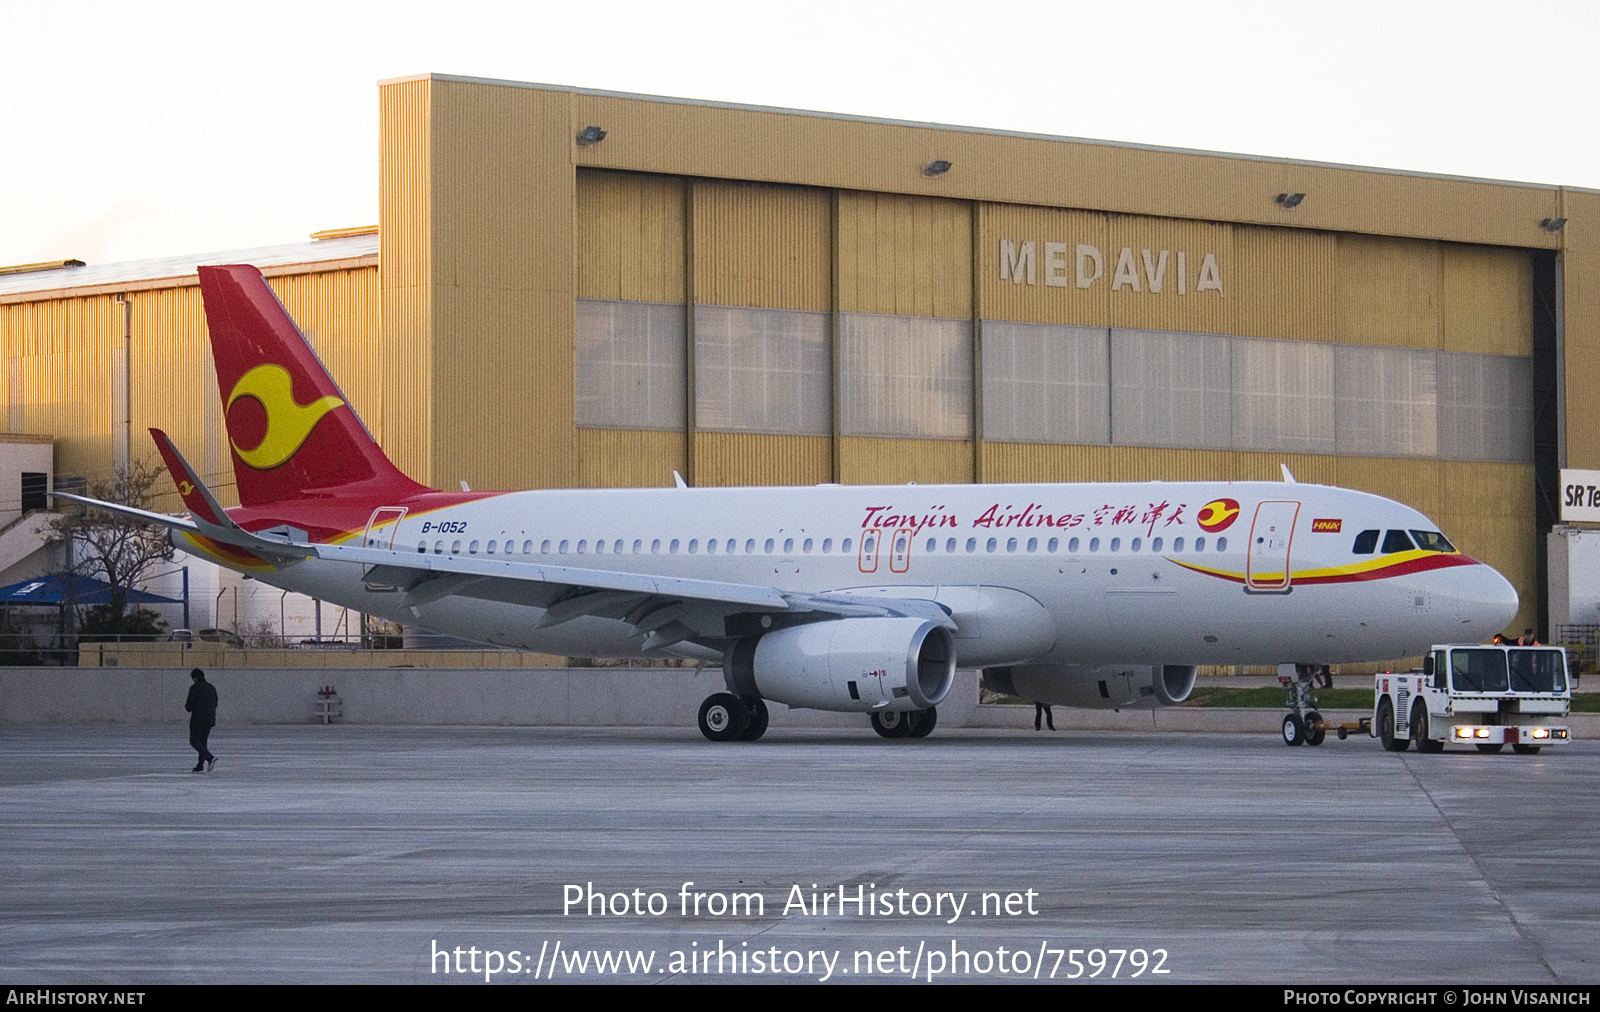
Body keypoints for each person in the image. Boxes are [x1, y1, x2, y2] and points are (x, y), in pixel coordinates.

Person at [185, 668, 218, 773]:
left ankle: (210, 757)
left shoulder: (195, 688)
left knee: (194, 741)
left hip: (198, 719)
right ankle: (200, 765)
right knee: (203, 742)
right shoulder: (211, 687)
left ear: (194, 678)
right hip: (209, 719)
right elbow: (215, 702)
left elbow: (189, 706)